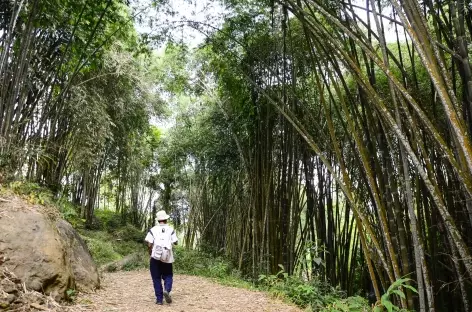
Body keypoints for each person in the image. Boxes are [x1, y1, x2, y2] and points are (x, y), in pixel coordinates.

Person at [144, 210, 178, 305]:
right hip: (167, 256)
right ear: (166, 219)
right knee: (168, 275)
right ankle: (167, 290)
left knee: (156, 278)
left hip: (155, 256)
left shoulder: (153, 229)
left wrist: (150, 252)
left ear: (158, 220)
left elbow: (149, 244)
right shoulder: (170, 229)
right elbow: (175, 241)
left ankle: (159, 300)